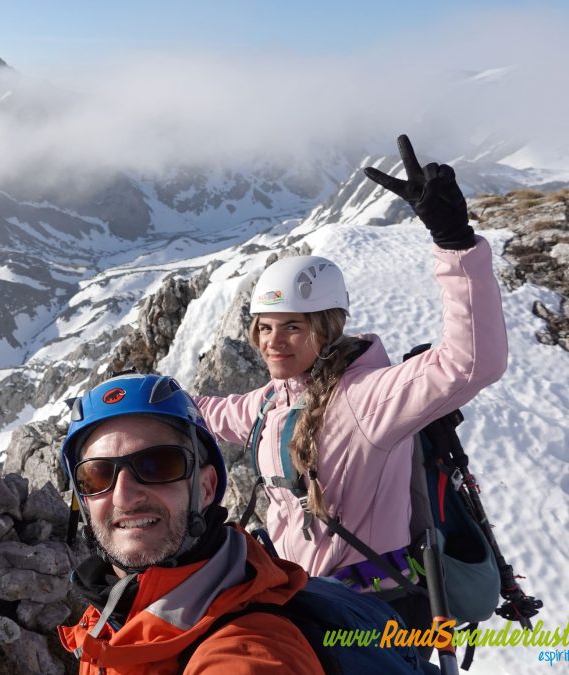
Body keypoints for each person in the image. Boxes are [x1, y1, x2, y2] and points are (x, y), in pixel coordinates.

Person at [194, 134, 508, 633]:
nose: (275, 343)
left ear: (327, 328)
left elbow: (471, 362)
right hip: (305, 597)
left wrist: (455, 244)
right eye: (266, 328)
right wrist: (149, 397)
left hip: (374, 612)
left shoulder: (370, 398)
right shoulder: (274, 399)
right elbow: (213, 414)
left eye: (293, 327)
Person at [57, 373, 324, 674]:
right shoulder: (107, 616)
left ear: (207, 488)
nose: (123, 497)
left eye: (157, 465)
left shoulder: (249, 649)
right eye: (98, 475)